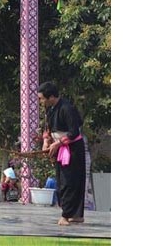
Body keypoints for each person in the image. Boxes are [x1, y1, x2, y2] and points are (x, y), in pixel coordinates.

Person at [38, 81, 86, 226]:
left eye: (42, 98)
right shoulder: (49, 109)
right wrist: (46, 140)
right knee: (61, 181)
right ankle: (73, 214)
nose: (41, 101)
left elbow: (74, 132)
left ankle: (67, 215)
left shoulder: (66, 108)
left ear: (51, 97)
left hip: (72, 149)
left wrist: (58, 143)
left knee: (70, 182)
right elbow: (48, 128)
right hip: (59, 146)